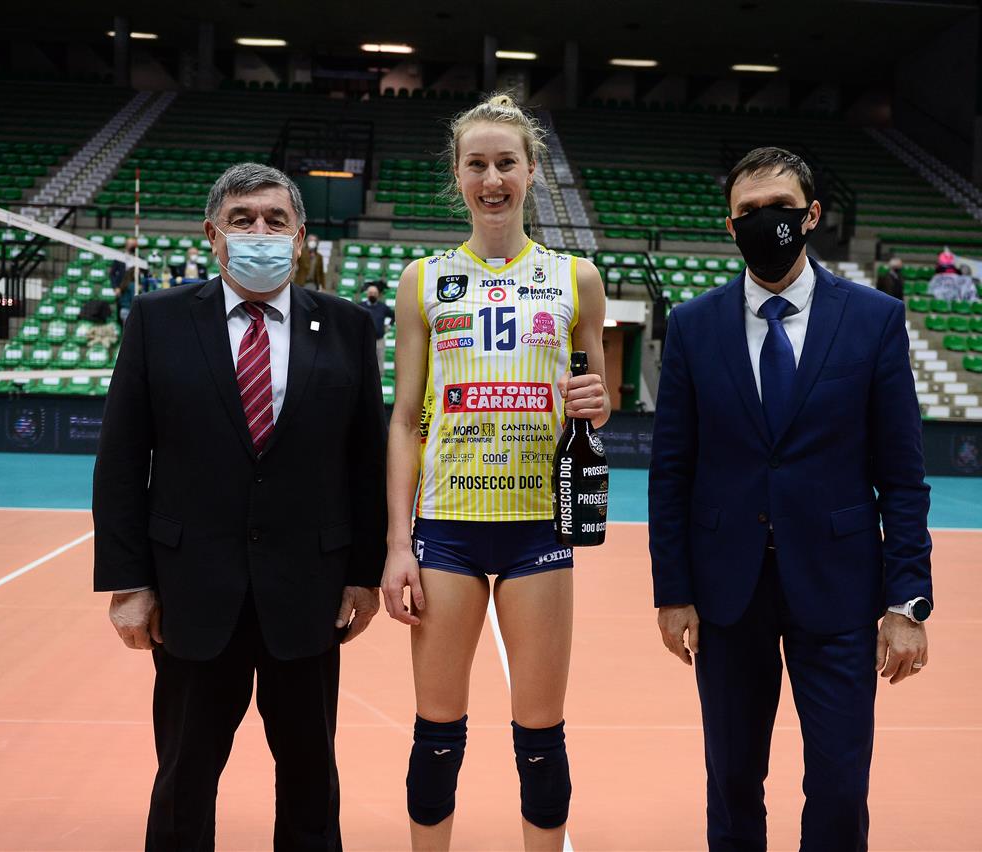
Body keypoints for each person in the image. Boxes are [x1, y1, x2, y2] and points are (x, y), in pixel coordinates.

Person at [92, 162, 388, 851]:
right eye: (242, 220)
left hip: (309, 591)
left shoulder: (347, 327)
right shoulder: (158, 319)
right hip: (191, 589)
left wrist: (363, 574)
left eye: (275, 220)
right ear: (213, 234)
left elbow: (366, 461)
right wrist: (128, 582)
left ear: (301, 237)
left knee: (311, 777)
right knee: (184, 777)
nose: (260, 231)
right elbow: (123, 457)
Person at [649, 146, 933, 851]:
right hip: (726, 590)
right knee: (732, 780)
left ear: (811, 215)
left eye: (779, 207)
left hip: (840, 588)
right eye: (748, 211)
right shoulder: (692, 325)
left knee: (839, 785)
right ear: (729, 225)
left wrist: (907, 604)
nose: (764, 221)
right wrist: (673, 591)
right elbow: (671, 471)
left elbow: (902, 477)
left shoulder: (873, 319)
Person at [381, 93, 610, 852]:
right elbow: (405, 418)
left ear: (532, 171)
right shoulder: (423, 279)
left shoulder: (577, 277)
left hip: (538, 528)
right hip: (445, 529)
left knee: (540, 739)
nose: (492, 179)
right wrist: (398, 544)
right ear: (457, 175)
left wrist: (596, 400)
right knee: (436, 736)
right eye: (476, 164)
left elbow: (597, 399)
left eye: (506, 162)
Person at [359, 281, 395, 375]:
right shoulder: (360, 306)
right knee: (364, 362)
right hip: (365, 340)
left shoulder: (383, 307)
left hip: (379, 340)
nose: (373, 295)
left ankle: (379, 381)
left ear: (378, 294)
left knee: (379, 364)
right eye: (371, 293)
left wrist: (389, 326)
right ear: (367, 294)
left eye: (375, 293)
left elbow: (394, 315)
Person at [110, 237, 139, 324]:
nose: (132, 246)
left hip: (134, 288)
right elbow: (112, 274)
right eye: (131, 244)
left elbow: (146, 273)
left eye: (134, 244)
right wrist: (115, 287)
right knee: (122, 313)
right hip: (122, 289)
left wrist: (140, 284)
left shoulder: (139, 259)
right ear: (126, 245)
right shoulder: (120, 257)